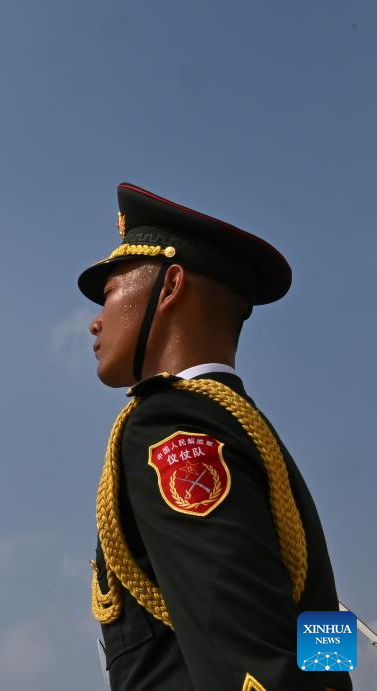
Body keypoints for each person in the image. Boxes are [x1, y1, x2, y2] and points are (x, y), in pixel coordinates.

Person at [80, 183, 351, 691]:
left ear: (170, 285)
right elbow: (321, 622)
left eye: (111, 292)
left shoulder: (170, 424)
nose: (95, 322)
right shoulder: (252, 433)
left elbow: (242, 646)